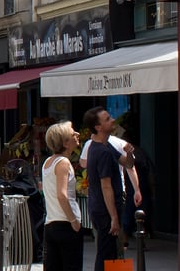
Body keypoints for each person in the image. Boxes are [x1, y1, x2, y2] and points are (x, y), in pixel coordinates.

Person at [80, 108, 123, 270]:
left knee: (110, 253)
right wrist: (114, 217)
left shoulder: (98, 147)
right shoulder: (102, 151)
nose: (112, 120)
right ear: (98, 127)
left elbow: (127, 162)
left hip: (98, 207)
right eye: (107, 119)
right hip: (104, 210)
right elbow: (106, 185)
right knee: (106, 254)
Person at [41, 121, 82, 271]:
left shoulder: (48, 162)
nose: (77, 135)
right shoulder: (63, 162)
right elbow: (62, 195)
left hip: (51, 223)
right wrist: (74, 221)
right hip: (65, 223)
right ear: (65, 142)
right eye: (73, 134)